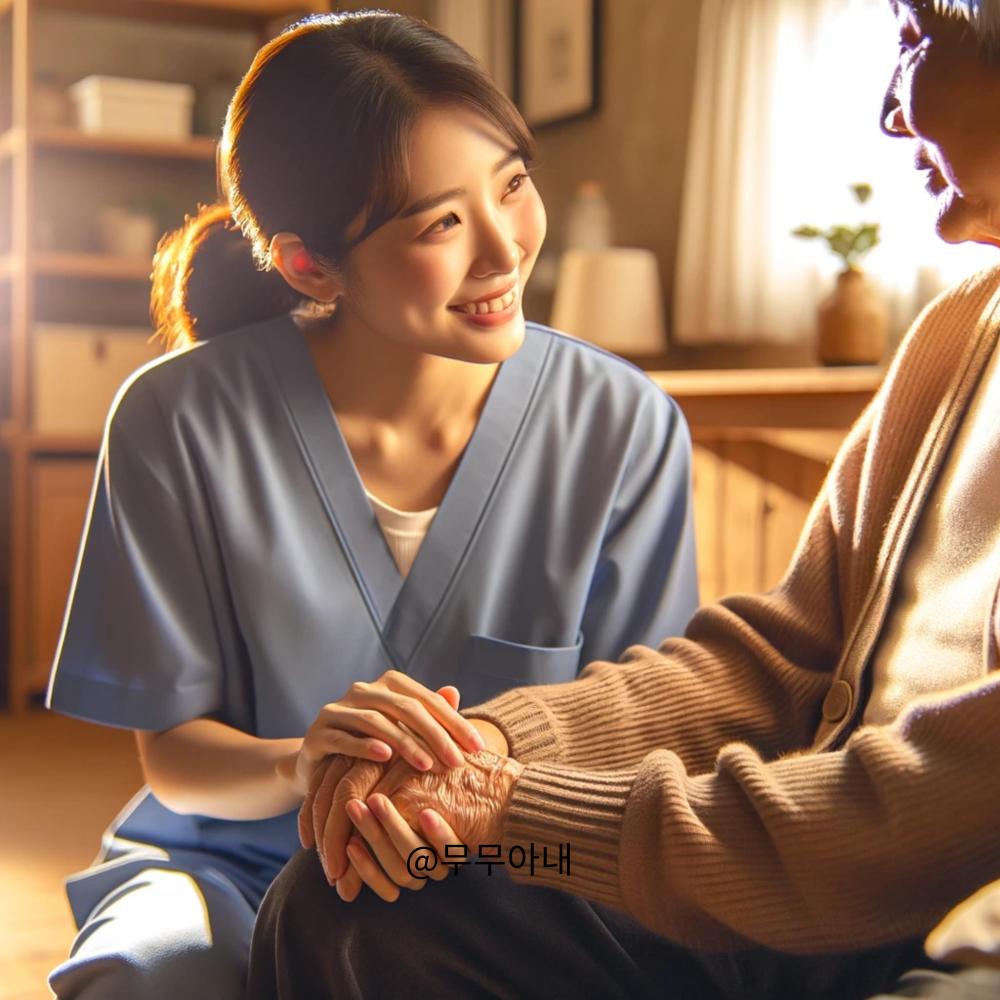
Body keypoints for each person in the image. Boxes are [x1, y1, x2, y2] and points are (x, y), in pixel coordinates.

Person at [245, 2, 1000, 999]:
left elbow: (931, 817)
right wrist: (484, 745)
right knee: (343, 910)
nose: (886, 115)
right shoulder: (960, 330)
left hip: (933, 913)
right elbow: (775, 663)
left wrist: (512, 812)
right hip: (801, 878)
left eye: (910, 42)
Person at [42, 11, 701, 1000]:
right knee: (152, 979)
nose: (502, 249)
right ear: (309, 264)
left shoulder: (626, 426)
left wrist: (466, 808)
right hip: (227, 864)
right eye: (440, 221)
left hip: (512, 863)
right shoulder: (176, 419)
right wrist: (302, 765)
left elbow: (635, 733)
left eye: (512, 183)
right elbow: (177, 759)